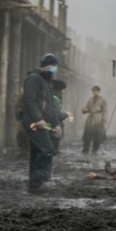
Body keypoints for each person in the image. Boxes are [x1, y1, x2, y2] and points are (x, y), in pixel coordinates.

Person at [21, 53, 63, 193]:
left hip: (41, 121)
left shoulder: (46, 81)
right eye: (53, 65)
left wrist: (56, 123)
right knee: (47, 149)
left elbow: (51, 106)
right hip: (33, 121)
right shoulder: (34, 78)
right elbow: (30, 100)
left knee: (38, 150)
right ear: (46, 66)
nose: (55, 68)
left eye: (56, 66)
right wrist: (37, 119)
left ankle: (35, 183)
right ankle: (38, 183)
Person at [81, 85, 108, 154]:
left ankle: (95, 150)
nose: (94, 92)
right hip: (90, 119)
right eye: (93, 91)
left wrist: (104, 119)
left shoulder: (103, 100)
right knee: (87, 135)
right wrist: (84, 110)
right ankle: (85, 150)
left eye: (96, 91)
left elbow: (105, 110)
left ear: (99, 91)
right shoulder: (90, 100)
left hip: (98, 118)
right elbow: (87, 108)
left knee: (97, 136)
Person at [50, 79, 72, 156]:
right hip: (53, 128)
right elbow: (56, 114)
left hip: (52, 127)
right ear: (58, 91)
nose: (63, 92)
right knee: (53, 150)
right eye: (62, 91)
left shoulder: (54, 98)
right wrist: (65, 115)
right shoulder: (55, 99)